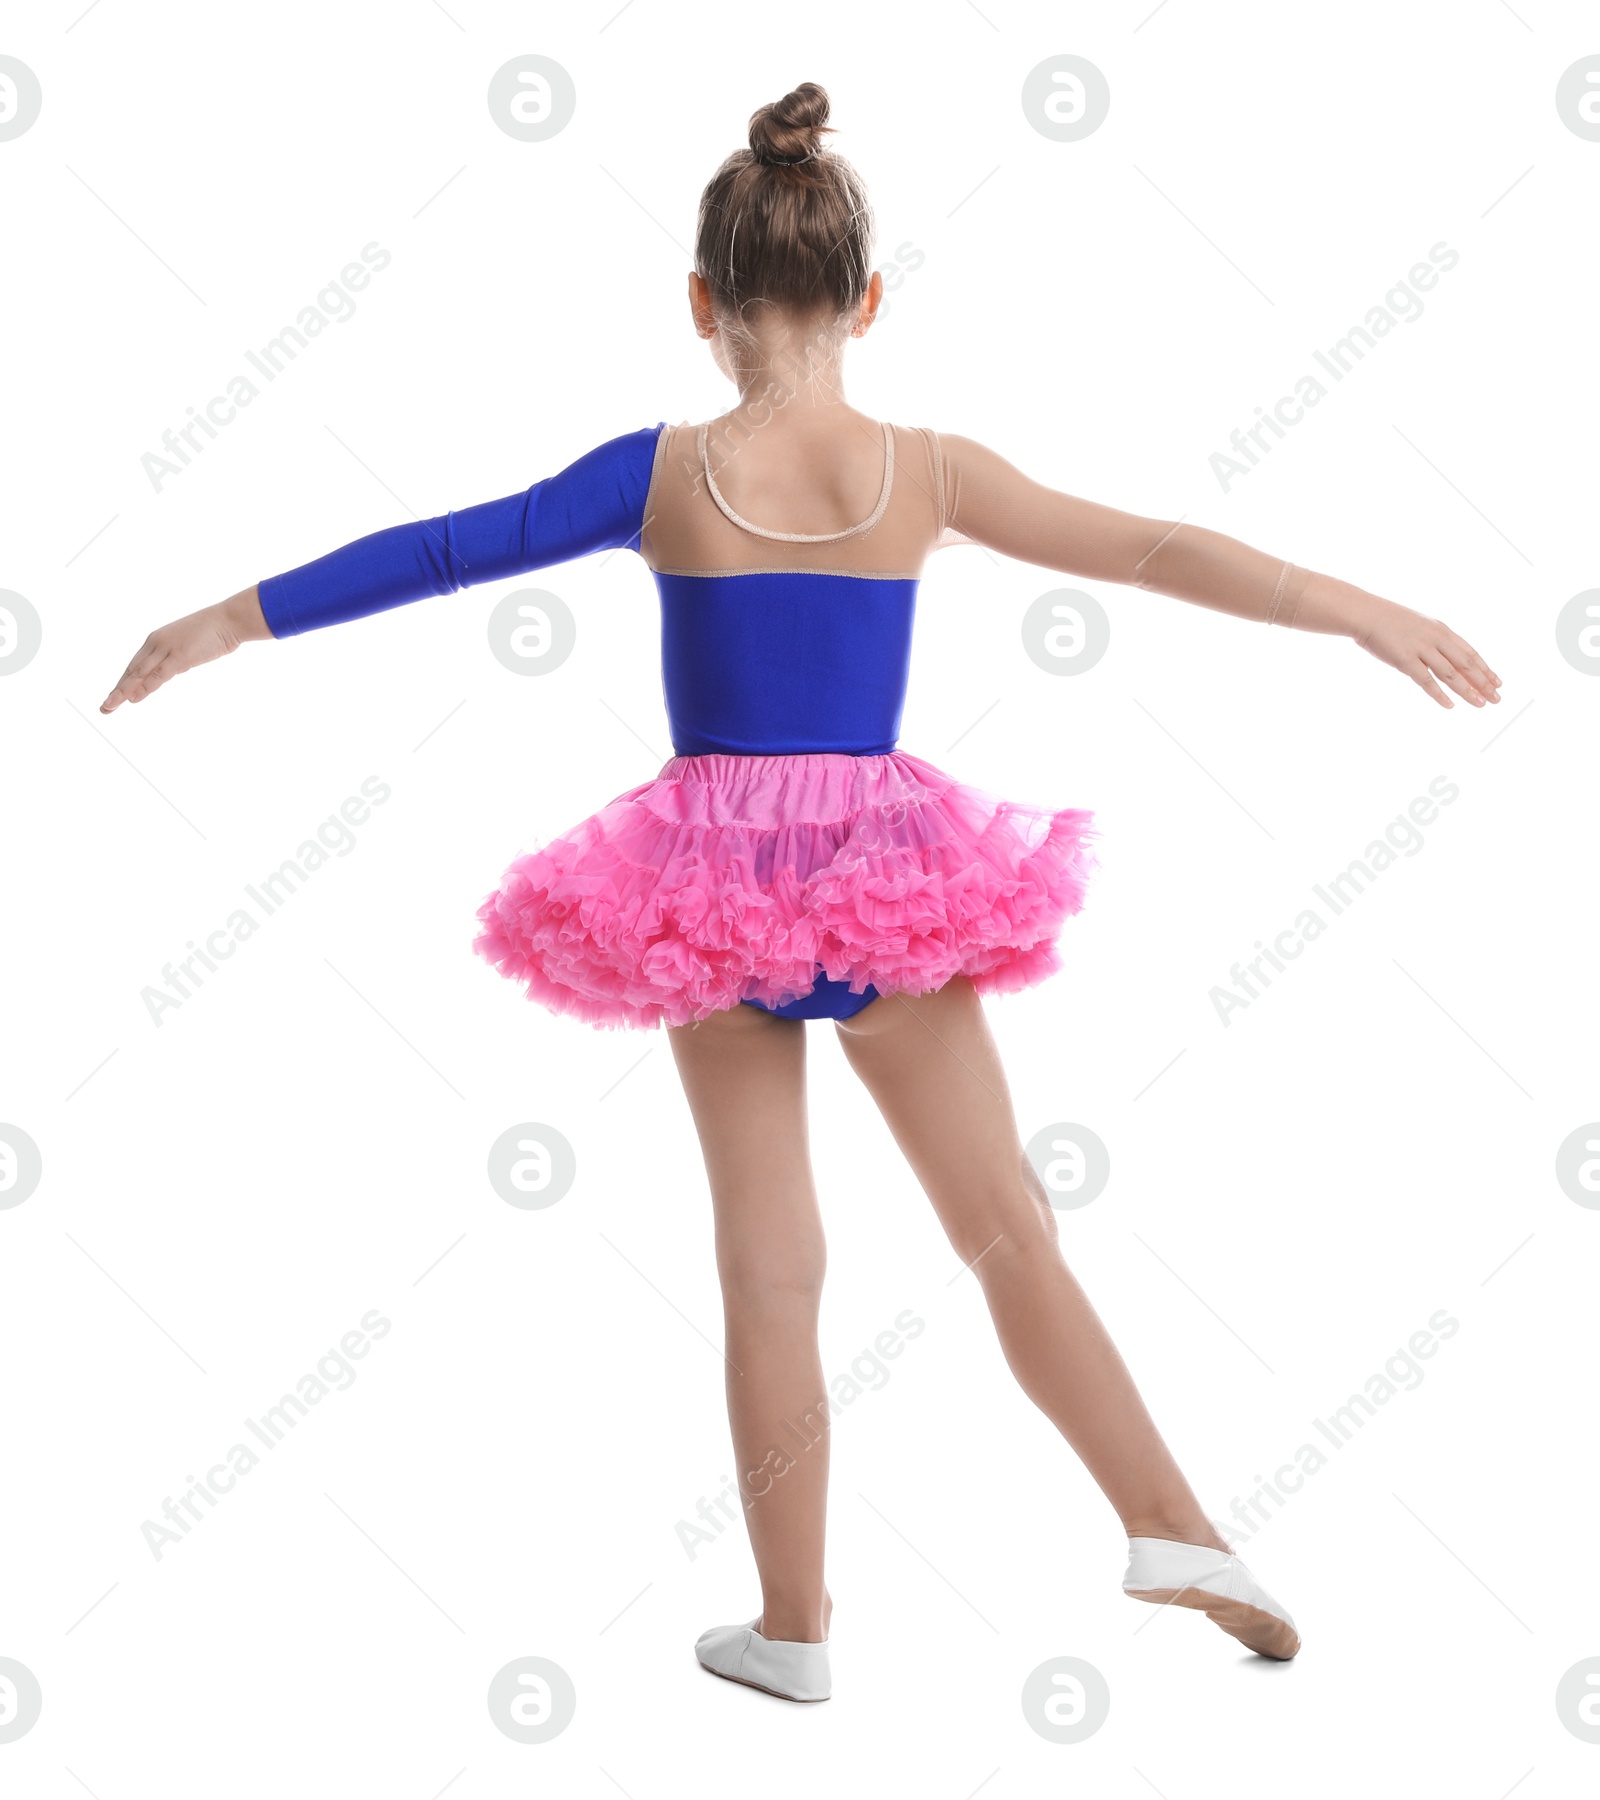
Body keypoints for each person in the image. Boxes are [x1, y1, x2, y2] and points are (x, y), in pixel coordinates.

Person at [102, 82, 1501, 1702]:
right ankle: (1172, 1524)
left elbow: (440, 551)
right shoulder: (924, 471)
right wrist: (1356, 609)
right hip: (888, 876)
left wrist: (222, 621)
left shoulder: (665, 471)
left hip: (699, 886)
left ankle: (798, 1630)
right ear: (871, 299)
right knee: (1008, 1234)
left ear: (700, 306)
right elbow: (1150, 549)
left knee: (771, 1267)